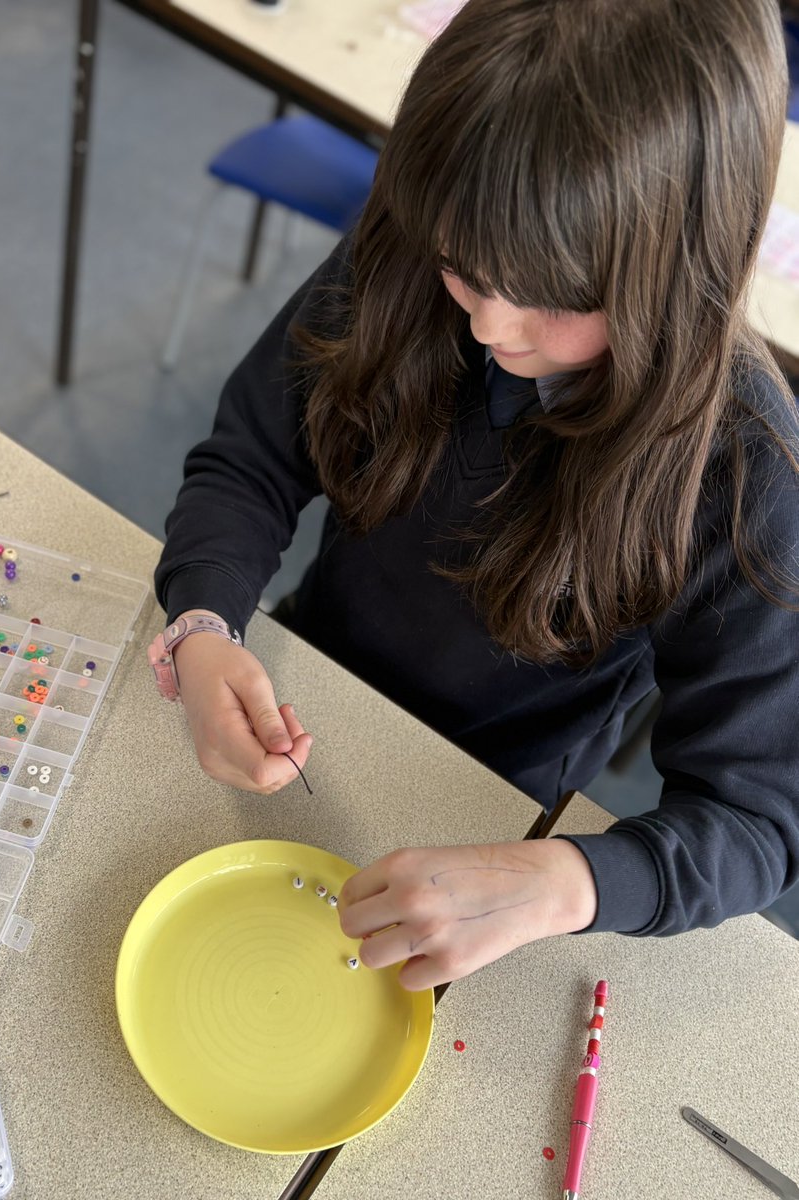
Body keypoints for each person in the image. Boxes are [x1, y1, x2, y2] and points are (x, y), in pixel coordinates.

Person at [151, 0, 799, 990]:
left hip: (496, 816)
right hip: (309, 684)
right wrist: (201, 622)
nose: (493, 320)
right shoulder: (413, 247)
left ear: (684, 272)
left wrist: (567, 880)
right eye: (466, 266)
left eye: (554, 294)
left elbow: (755, 819)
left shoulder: (745, 471)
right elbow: (249, 457)